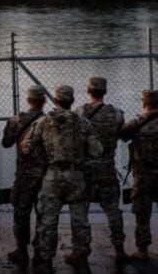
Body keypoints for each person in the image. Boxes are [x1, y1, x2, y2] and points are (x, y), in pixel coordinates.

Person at [31, 85, 103, 273]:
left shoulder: (44, 122)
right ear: (72, 101)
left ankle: (46, 262)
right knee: (80, 219)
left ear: (56, 101)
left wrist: (44, 156)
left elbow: (27, 147)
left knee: (48, 220)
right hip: (76, 175)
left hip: (52, 175)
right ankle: (81, 259)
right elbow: (97, 150)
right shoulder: (83, 123)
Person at [74, 76, 129, 265]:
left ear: (88, 91)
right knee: (113, 208)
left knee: (81, 209)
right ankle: (119, 249)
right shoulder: (116, 113)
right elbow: (122, 133)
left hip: (85, 167)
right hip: (107, 165)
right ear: (104, 92)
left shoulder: (79, 113)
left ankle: (80, 251)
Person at [120, 90, 158, 262]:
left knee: (141, 214)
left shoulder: (135, 124)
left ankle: (143, 251)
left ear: (143, 103)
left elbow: (122, 135)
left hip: (143, 176)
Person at [1, 85, 48, 265]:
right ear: (43, 101)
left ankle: (22, 250)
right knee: (43, 214)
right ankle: (40, 250)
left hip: (24, 174)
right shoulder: (49, 120)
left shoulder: (16, 120)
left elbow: (6, 143)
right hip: (45, 174)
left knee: (21, 213)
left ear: (28, 101)